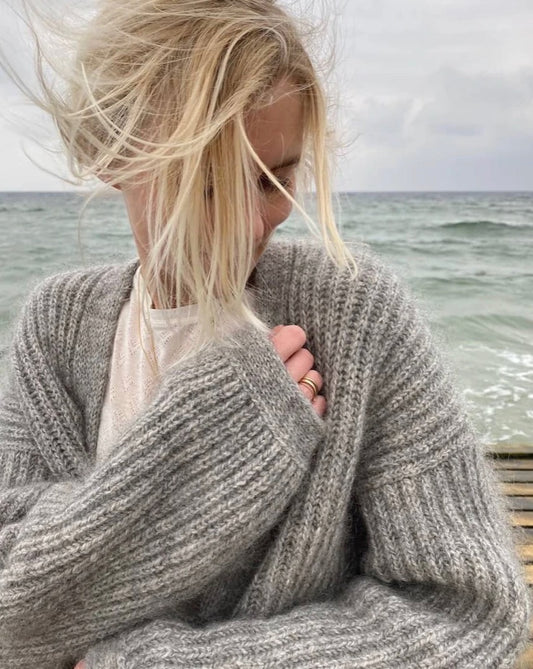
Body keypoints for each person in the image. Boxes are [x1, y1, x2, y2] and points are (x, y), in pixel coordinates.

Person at [0, 1, 530, 668]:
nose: (251, 224)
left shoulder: (356, 313)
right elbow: (13, 615)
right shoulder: (56, 325)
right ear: (113, 154)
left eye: (275, 179)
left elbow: (469, 611)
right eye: (209, 184)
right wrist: (206, 449)